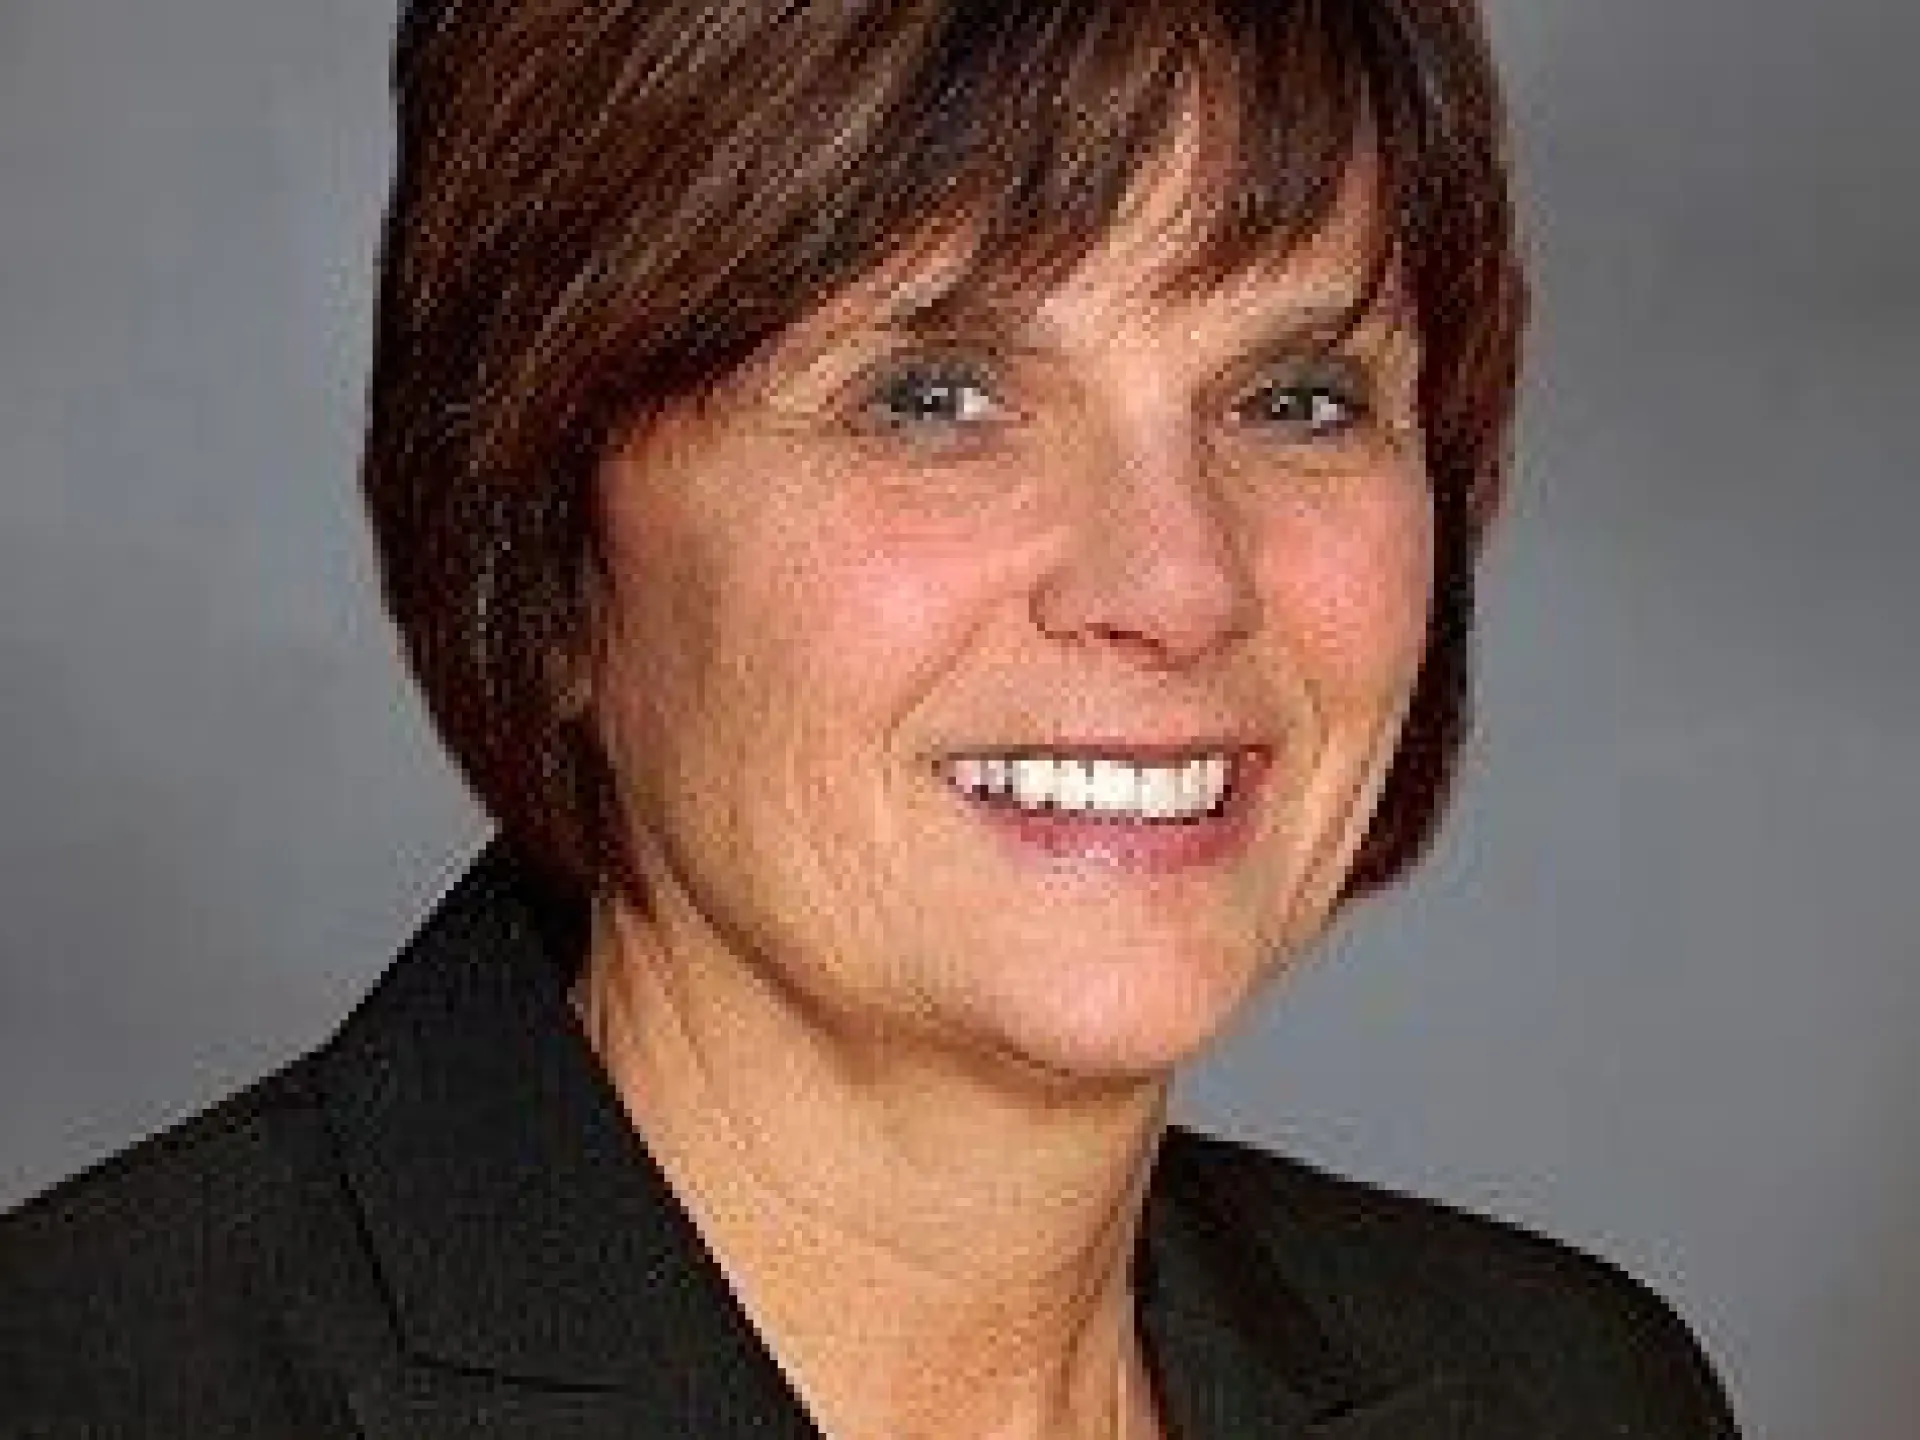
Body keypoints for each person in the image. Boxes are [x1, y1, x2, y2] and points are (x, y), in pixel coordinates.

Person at [0, 1, 1742, 1435]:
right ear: (548, 551)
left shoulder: (1578, 1393)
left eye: (1296, 397)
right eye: (936, 395)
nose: (1181, 579)